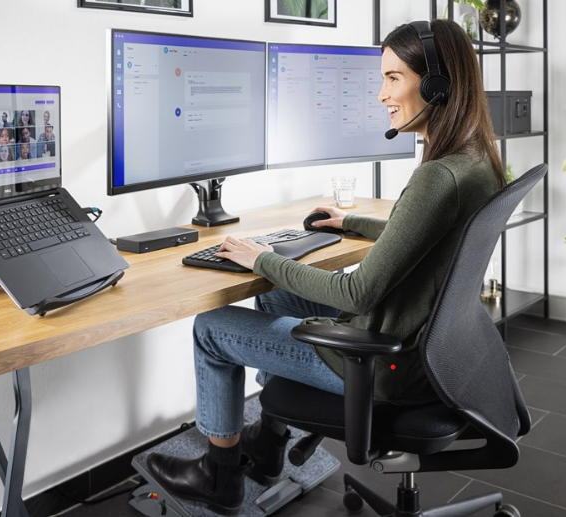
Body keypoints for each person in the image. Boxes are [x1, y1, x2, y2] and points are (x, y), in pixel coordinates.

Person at [145, 19, 506, 513]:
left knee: (211, 326)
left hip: (383, 364)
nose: (382, 94)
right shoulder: (476, 160)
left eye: (393, 78)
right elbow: (428, 236)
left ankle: (219, 476)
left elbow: (358, 295)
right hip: (428, 350)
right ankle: (270, 443)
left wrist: (264, 257)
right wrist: (351, 223)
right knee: (275, 294)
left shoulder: (437, 176)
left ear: (439, 85)